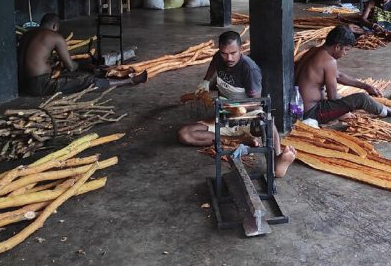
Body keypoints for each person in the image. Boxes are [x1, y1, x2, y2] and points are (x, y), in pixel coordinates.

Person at [177, 31, 297, 177]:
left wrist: (233, 107)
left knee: (266, 123)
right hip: (224, 117)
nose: (229, 58)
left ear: (241, 49)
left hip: (247, 116)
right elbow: (214, 62)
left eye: (233, 53)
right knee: (184, 134)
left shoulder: (249, 69)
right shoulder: (219, 58)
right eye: (224, 53)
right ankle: (238, 140)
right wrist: (206, 81)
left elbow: (256, 103)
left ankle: (277, 160)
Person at [295, 25, 391, 125]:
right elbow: (333, 98)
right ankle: (390, 112)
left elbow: (338, 76)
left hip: (298, 107)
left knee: (351, 97)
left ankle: (386, 109)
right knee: (361, 99)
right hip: (312, 113)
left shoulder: (314, 51)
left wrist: (366, 86)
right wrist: (342, 112)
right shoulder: (329, 61)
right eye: (346, 50)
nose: (345, 54)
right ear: (337, 47)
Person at [17, 13, 146, 97]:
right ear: (55, 26)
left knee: (67, 72)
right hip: (39, 86)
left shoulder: (27, 34)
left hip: (21, 83)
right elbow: (71, 67)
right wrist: (84, 65)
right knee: (86, 80)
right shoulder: (54, 36)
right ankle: (129, 81)